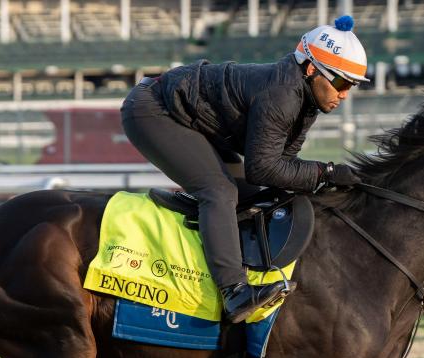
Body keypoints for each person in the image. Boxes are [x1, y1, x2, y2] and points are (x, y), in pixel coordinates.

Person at [121, 15, 368, 323]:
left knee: (254, 195)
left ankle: (212, 236)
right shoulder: (282, 94)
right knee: (220, 192)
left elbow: (283, 165)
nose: (344, 94)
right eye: (341, 82)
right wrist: (326, 173)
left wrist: (324, 178)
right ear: (310, 69)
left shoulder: (306, 100)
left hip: (192, 118)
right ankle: (234, 292)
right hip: (153, 110)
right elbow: (263, 168)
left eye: (352, 86)